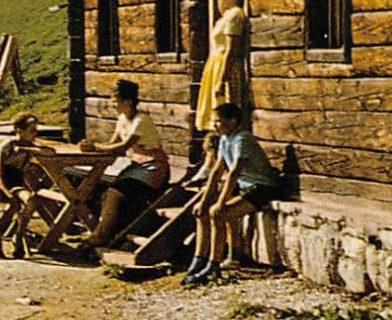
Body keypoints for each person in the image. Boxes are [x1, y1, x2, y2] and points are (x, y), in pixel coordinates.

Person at [183, 102, 282, 285]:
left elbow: (234, 172)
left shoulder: (242, 139)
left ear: (233, 121)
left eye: (219, 121)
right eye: (215, 121)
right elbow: (216, 172)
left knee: (218, 213)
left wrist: (220, 203)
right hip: (246, 187)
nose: (215, 125)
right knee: (201, 212)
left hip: (262, 187)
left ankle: (214, 265)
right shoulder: (224, 140)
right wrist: (204, 202)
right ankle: (199, 260)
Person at [80, 79, 170, 249]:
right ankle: (107, 233)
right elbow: (112, 144)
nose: (113, 105)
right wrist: (91, 147)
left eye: (115, 101)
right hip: (136, 166)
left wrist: (97, 148)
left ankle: (100, 238)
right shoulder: (122, 118)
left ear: (127, 101)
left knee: (117, 194)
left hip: (154, 168)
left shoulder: (141, 120)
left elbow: (123, 146)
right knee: (106, 192)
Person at [0, 113, 53, 258]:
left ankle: (18, 234)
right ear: (19, 131)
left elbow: (50, 152)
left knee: (31, 200)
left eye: (36, 130)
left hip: (16, 181)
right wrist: (8, 194)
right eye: (31, 130)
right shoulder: (6, 146)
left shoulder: (29, 146)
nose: (35, 133)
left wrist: (30, 149)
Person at [194, 0, 247, 133]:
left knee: (224, 111)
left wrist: (222, 79)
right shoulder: (225, 16)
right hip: (216, 64)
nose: (217, 0)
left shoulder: (235, 15)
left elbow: (231, 49)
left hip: (225, 66)